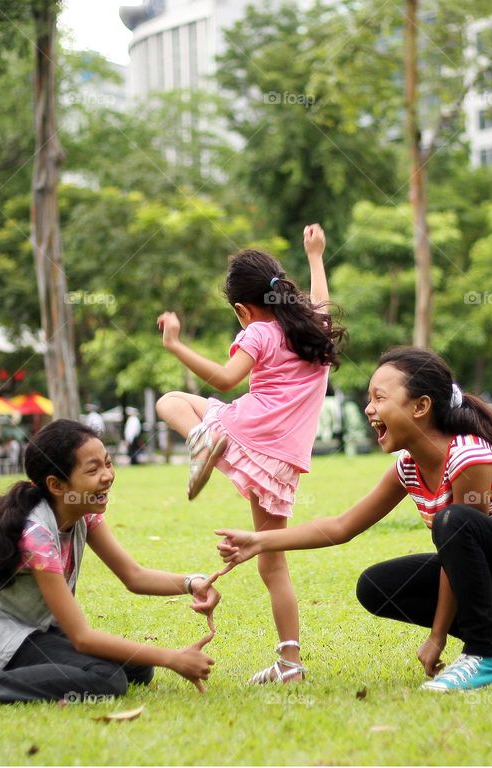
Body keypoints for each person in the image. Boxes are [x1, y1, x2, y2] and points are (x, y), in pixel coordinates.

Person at [216, 347, 492, 692]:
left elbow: (463, 536)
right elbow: (342, 527)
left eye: (380, 398)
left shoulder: (469, 457)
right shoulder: (408, 467)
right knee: (377, 585)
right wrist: (259, 541)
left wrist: (437, 636)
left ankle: (482, 657)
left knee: (453, 520)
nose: (369, 409)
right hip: (487, 566)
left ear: (421, 406)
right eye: (370, 399)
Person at [0, 419, 219, 708]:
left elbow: (134, 576)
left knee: (136, 669)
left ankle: (42, 677)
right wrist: (172, 658)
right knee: (108, 680)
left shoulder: (81, 513)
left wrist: (192, 582)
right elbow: (82, 638)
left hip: (32, 626)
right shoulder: (36, 535)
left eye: (107, 463)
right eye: (93, 470)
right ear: (57, 485)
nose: (107, 476)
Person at [156, 224, 344, 684]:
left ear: (242, 308)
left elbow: (224, 379)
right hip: (283, 461)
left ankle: (202, 441)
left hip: (245, 434)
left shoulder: (259, 333)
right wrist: (315, 255)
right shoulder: (313, 330)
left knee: (170, 402)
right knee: (272, 560)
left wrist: (175, 344)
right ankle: (291, 662)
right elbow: (320, 298)